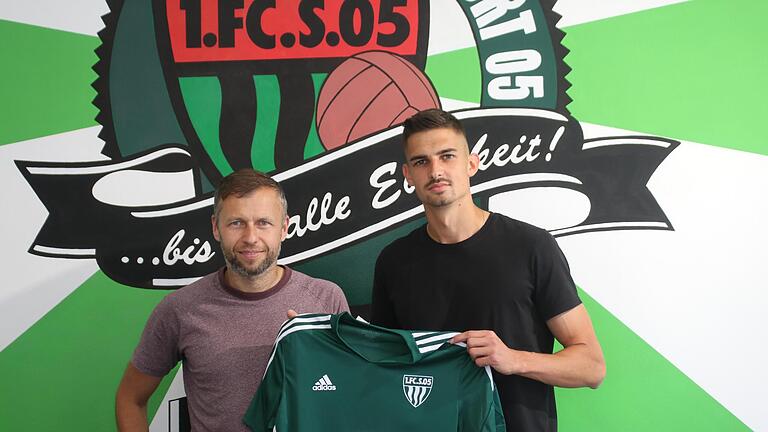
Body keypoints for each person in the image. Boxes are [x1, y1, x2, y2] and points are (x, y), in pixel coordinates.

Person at [370, 109, 605, 431]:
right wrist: (311, 334)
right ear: (408, 174)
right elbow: (381, 367)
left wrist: (513, 359)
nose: (436, 170)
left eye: (447, 156)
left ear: (471, 163)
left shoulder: (531, 246)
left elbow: (591, 367)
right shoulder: (393, 261)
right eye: (422, 161)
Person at [115, 169, 349, 431]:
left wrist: (311, 351)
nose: (250, 237)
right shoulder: (180, 309)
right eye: (236, 223)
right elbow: (130, 398)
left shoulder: (327, 300)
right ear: (216, 227)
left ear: (284, 228)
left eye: (263, 222)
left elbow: (348, 397)